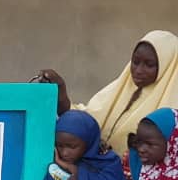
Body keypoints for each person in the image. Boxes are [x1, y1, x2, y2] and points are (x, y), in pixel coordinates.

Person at [39, 30, 178, 154]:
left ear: (168, 66)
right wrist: (61, 93)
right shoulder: (119, 89)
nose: (139, 70)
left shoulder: (171, 106)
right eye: (135, 62)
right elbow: (84, 123)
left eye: (149, 65)